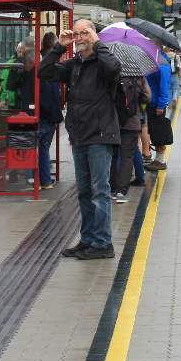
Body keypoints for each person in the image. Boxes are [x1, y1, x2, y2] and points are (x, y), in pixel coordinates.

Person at [39, 20, 121, 259]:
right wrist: (59, 47)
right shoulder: (74, 65)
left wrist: (97, 43)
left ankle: (103, 243)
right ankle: (88, 239)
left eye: (84, 32)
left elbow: (114, 69)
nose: (80, 37)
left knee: (99, 192)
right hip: (79, 136)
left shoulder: (104, 62)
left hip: (100, 135)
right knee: (84, 192)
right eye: (77, 34)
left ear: (94, 34)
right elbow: (43, 72)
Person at [8, 34, 64, 189]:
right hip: (51, 115)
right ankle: (45, 181)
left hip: (35, 115)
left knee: (29, 147)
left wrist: (17, 59)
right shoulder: (48, 64)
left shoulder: (25, 68)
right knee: (44, 149)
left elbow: (10, 86)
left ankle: (33, 182)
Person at [110, 73, 150, 204]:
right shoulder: (138, 76)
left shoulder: (111, 74)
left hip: (112, 122)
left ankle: (112, 188)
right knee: (127, 157)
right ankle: (121, 191)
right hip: (131, 122)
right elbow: (147, 97)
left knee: (113, 155)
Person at [145, 50, 174, 171]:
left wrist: (161, 105)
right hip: (152, 102)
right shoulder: (155, 61)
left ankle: (160, 161)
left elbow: (164, 87)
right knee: (155, 132)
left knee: (159, 132)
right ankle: (158, 159)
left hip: (156, 104)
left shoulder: (162, 65)